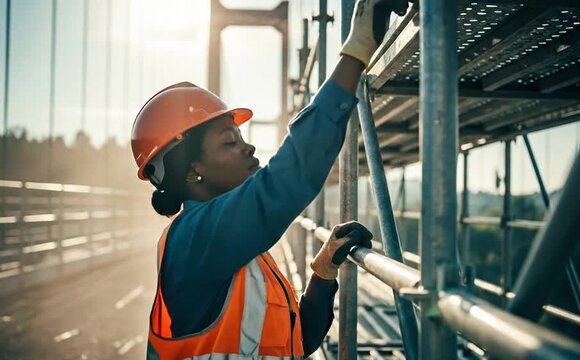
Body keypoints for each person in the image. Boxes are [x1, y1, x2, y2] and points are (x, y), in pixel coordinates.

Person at [131, 0, 410, 358]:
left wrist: (323, 274)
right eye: (229, 142)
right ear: (191, 171)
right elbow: (287, 178)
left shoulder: (238, 252)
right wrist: (356, 51)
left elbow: (296, 344)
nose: (248, 149)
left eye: (243, 138)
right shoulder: (194, 240)